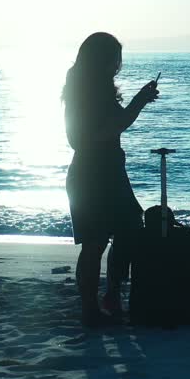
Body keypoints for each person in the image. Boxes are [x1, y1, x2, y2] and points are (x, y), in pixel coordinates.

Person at [63, 32, 159, 327]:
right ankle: (91, 307)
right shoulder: (85, 95)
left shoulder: (95, 90)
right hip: (92, 175)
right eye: (115, 59)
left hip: (109, 173)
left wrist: (136, 103)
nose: (118, 65)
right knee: (95, 243)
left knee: (127, 229)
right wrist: (139, 102)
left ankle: (110, 295)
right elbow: (92, 136)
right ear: (102, 60)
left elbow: (117, 124)